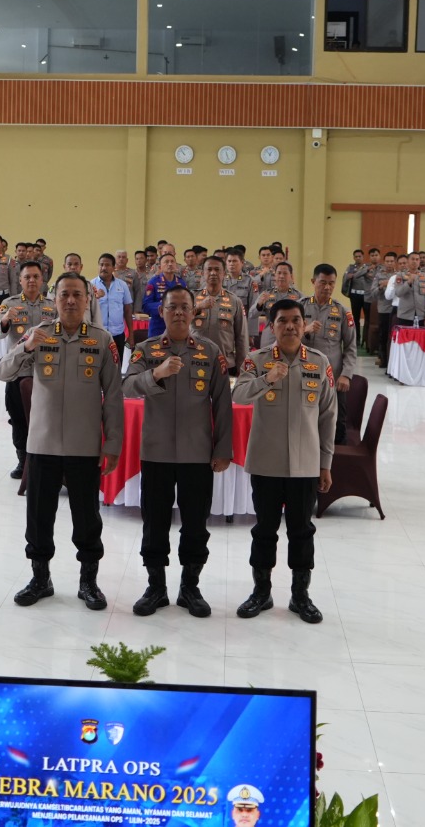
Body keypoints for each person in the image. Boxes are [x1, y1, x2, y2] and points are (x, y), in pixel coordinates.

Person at [0, 273, 124, 611]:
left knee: (87, 518)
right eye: (64, 294)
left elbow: (113, 395)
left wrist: (113, 443)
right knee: (39, 516)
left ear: (87, 300)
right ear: (54, 300)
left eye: (77, 295)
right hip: (43, 444)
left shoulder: (102, 340)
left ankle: (89, 582)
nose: (70, 300)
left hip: (85, 445)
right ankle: (40, 578)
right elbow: (3, 372)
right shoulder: (38, 335)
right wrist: (26, 347)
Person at [124, 287, 233, 618]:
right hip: (156, 452)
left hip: (196, 453)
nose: (179, 313)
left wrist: (223, 448)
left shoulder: (210, 351)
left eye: (186, 307)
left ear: (194, 312)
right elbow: (127, 386)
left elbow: (222, 403)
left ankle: (190, 587)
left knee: (196, 524)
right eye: (173, 307)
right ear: (162, 312)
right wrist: (156, 374)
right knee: (154, 523)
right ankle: (156, 587)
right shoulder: (146, 349)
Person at [232, 300, 336, 624]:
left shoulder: (319, 362)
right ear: (271, 326)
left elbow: (328, 416)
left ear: (304, 325)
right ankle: (261, 592)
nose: (290, 326)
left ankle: (300, 595)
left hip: (305, 464)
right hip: (266, 462)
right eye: (282, 321)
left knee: (302, 531)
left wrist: (325, 463)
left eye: (295, 320)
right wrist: (267, 379)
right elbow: (238, 395)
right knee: (264, 530)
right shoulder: (257, 360)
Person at [0, 262, 58, 478]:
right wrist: (6, 320)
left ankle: (45, 461)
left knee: (46, 419)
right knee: (18, 419)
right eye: (27, 277)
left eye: (35, 277)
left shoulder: (53, 305)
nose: (32, 280)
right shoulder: (9, 303)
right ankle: (23, 462)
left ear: (42, 280)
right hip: (18, 371)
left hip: (46, 372)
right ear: (20, 280)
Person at [301, 263, 357, 444]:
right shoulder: (299, 308)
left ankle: (338, 457)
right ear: (313, 281)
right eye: (323, 282)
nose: (327, 287)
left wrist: (346, 375)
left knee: (337, 423)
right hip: (303, 374)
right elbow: (287, 339)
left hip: (333, 376)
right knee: (305, 420)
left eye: (331, 283)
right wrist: (305, 330)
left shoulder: (342, 311)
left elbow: (350, 347)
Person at [194, 255, 249, 374]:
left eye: (217, 269)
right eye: (209, 269)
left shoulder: (235, 301)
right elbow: (180, 322)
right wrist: (198, 307)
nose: (213, 273)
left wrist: (242, 369)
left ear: (224, 273)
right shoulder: (191, 298)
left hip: (225, 364)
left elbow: (241, 337)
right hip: (194, 362)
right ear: (202, 273)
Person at [91, 253, 134, 363]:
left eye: (107, 265)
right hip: (97, 334)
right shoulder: (91, 285)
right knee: (97, 365)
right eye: (101, 265)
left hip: (118, 334)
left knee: (116, 365)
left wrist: (131, 335)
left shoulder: (122, 285)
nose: (103, 268)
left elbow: (127, 310)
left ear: (114, 267)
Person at [141, 253, 187, 339]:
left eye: (172, 261)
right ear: (160, 267)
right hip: (158, 327)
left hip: (177, 326)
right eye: (166, 262)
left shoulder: (181, 283)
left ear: (176, 265)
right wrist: (165, 306)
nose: (170, 264)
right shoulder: (153, 282)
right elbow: (146, 306)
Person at [342, 249, 370, 342]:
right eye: (356, 256)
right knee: (356, 317)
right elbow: (346, 276)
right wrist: (349, 276)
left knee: (367, 318)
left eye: (359, 256)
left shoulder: (367, 267)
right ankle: (357, 338)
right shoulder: (350, 267)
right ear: (354, 258)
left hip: (366, 296)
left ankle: (366, 339)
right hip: (355, 295)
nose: (358, 258)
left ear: (363, 257)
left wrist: (354, 275)